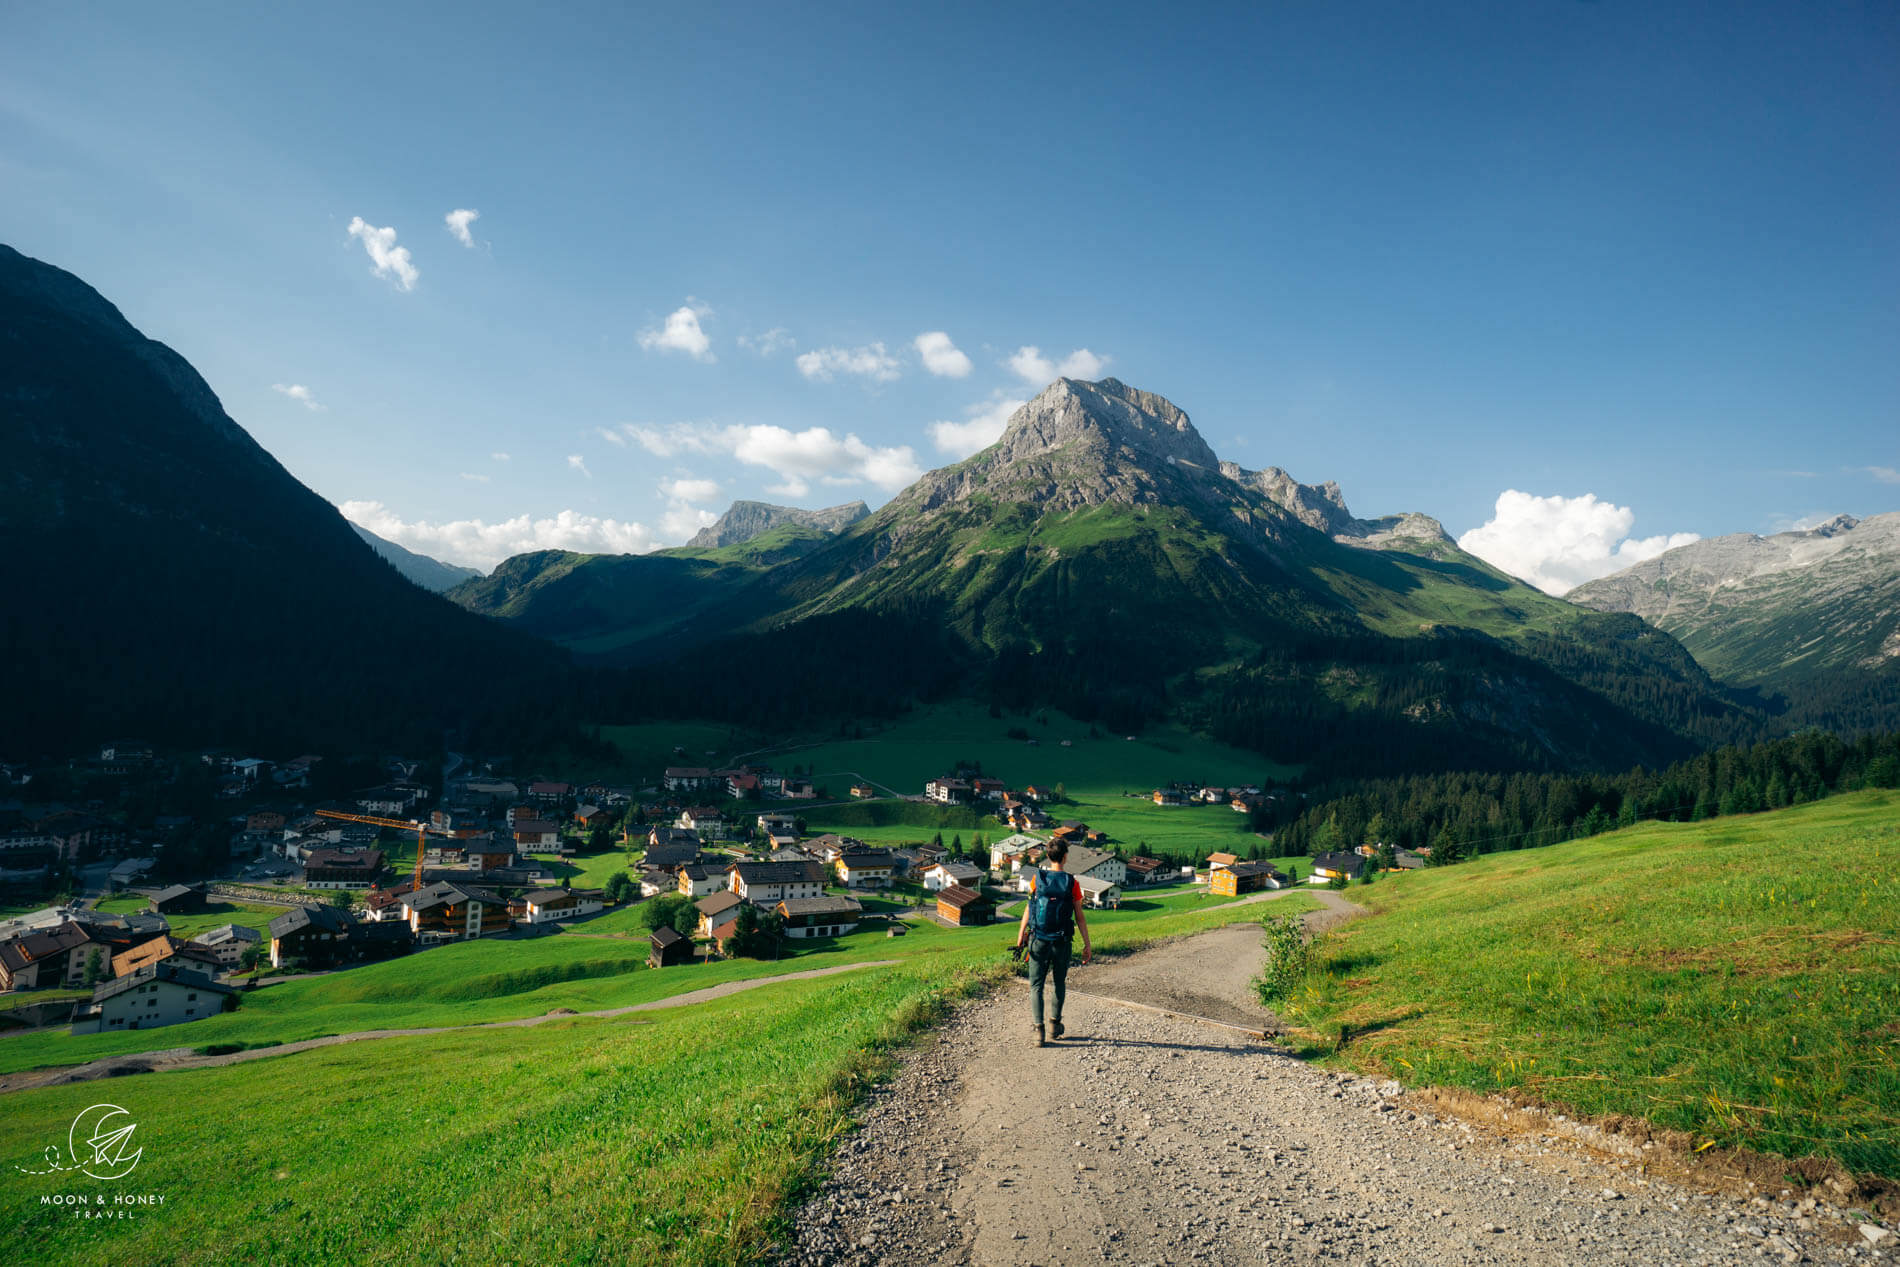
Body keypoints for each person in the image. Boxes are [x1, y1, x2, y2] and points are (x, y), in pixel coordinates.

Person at [1013, 837, 1091, 1046]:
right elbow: (1079, 916)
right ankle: (1055, 1025)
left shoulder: (1037, 879)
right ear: (1065, 857)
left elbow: (1029, 907)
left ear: (1048, 857)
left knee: (1036, 985)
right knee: (1058, 983)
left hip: (1038, 938)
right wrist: (1087, 944)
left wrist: (1021, 934)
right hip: (1062, 941)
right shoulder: (1072, 883)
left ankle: (1039, 1031)